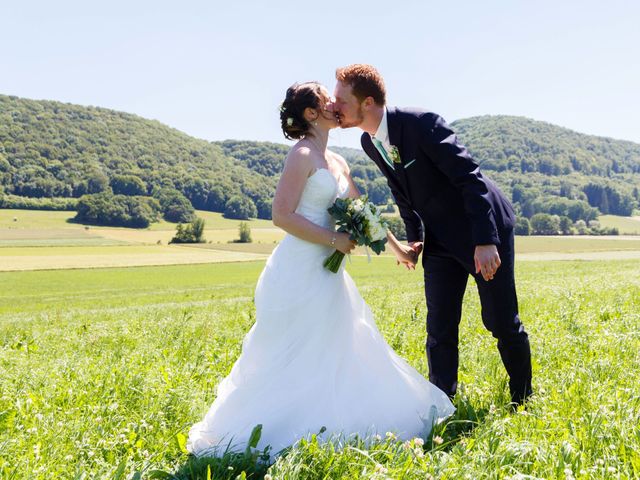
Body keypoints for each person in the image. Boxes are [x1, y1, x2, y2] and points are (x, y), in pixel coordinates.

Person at [187, 82, 454, 458]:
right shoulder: (301, 155)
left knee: (336, 350)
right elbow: (282, 215)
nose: (335, 104)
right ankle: (277, 429)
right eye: (326, 101)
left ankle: (327, 425)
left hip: (328, 277)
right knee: (294, 354)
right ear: (311, 114)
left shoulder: (337, 163)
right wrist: (333, 240)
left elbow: (364, 213)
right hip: (297, 272)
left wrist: (400, 250)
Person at [331, 64, 532, 405]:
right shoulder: (369, 141)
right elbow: (401, 191)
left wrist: (485, 241)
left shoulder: (421, 123)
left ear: (367, 102)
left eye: (340, 99)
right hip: (439, 239)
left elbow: (471, 177)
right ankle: (443, 404)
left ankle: (523, 398)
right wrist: (414, 237)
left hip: (481, 229)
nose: (334, 106)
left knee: (499, 320)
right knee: (439, 326)